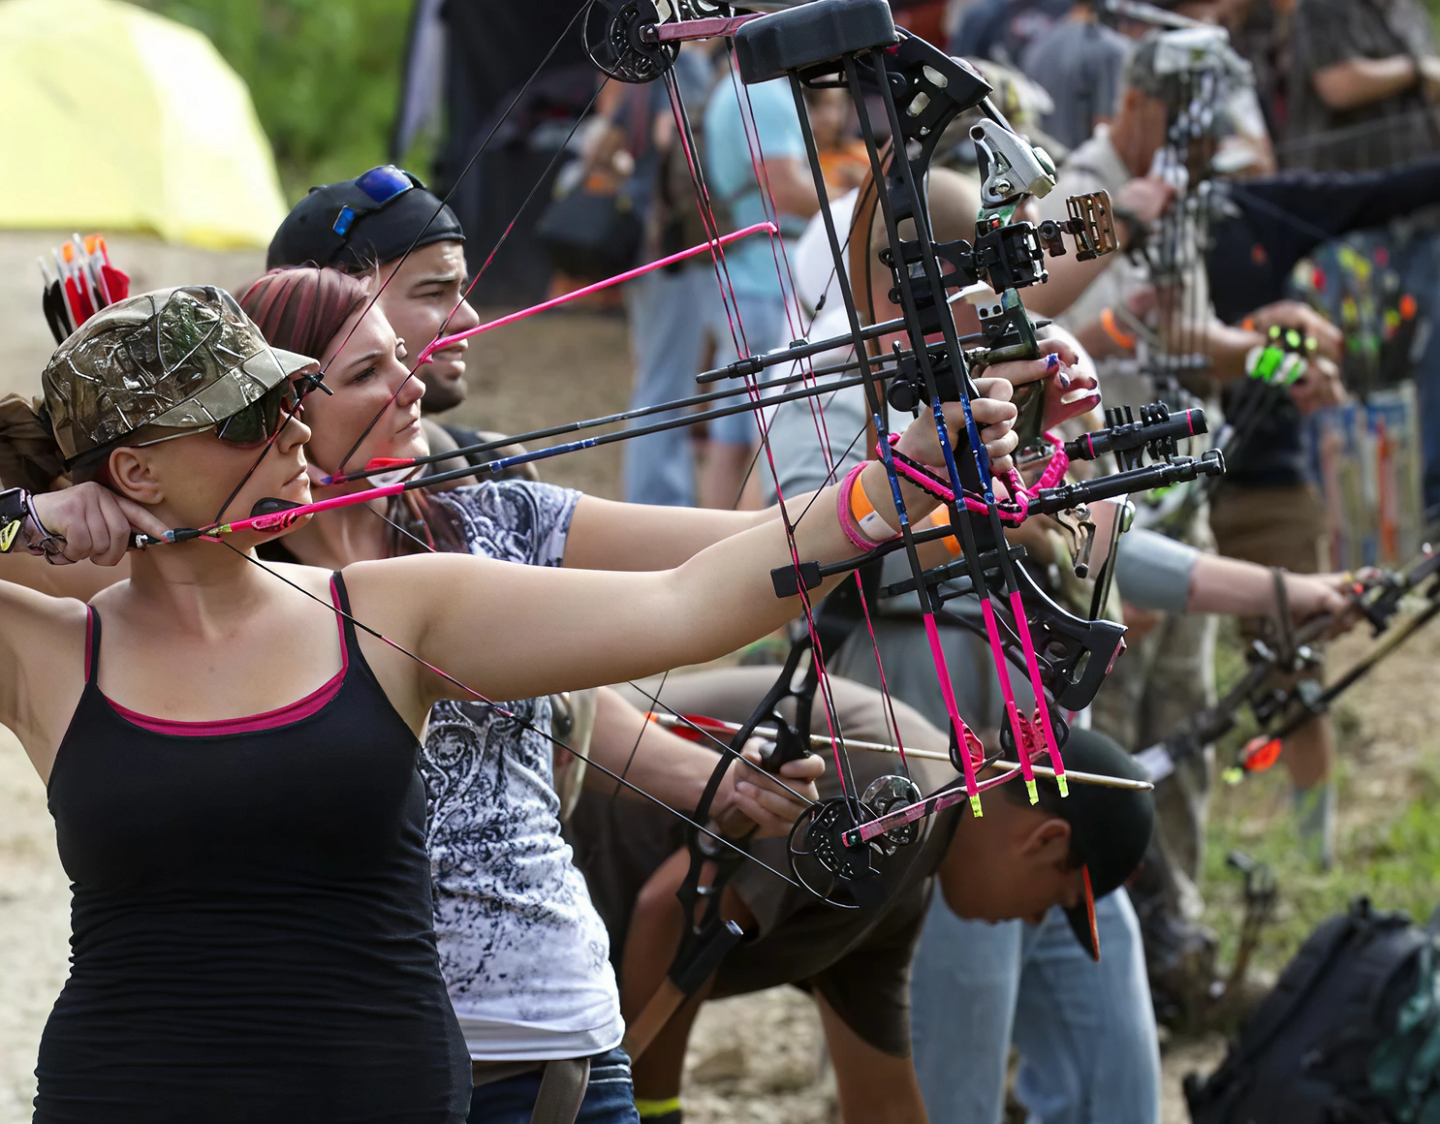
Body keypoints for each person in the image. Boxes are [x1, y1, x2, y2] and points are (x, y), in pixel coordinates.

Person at [0, 282, 1034, 1119]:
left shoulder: (397, 608)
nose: (292, 434)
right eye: (244, 420)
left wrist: (887, 490)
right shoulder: (52, 650)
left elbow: (685, 603)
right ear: (133, 468)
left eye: (288, 399)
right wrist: (26, 520)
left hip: (379, 1095)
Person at [238, 265, 824, 1123]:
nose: (410, 384)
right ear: (278, 408)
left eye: (401, 357)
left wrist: (907, 486)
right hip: (353, 1057)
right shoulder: (222, 588)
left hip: (561, 1043)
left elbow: (743, 555)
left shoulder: (497, 522)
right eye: (366, 374)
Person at [567, 689, 1156, 1124]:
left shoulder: (903, 885)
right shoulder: (901, 804)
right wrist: (655, 1109)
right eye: (1052, 901)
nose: (1031, 922)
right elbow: (677, 910)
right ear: (1045, 840)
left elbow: (884, 1099)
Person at [1283, 0, 1440, 530]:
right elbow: (1338, 83)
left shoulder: (1407, 11)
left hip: (1420, 220)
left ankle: (1422, 509)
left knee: (1419, 364)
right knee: (1345, 371)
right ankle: (1357, 523)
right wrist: (1419, 71)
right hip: (1350, 233)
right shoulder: (1327, 7)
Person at [699, 62, 820, 509]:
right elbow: (784, 189)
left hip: (744, 271)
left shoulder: (730, 87)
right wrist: (856, 205)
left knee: (730, 435)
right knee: (764, 432)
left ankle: (716, 545)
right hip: (769, 278)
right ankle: (750, 553)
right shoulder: (764, 92)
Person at [1020, 0, 1134, 151]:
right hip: (1083, 168)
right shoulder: (1111, 51)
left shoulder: (1036, 47)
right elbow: (1104, 128)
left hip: (1038, 165)